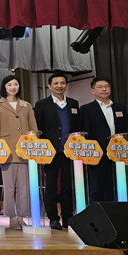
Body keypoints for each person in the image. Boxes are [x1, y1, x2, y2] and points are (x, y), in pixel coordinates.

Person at [0, 75, 38, 230]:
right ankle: (11, 218)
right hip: (7, 150)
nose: (13, 87)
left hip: (24, 150)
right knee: (9, 186)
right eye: (9, 84)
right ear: (4, 87)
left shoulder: (26, 105)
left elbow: (33, 127)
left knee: (24, 187)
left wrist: (33, 144)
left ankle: (21, 217)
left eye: (16, 84)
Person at [34, 73, 81, 230]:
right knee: (51, 186)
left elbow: (77, 126)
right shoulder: (42, 104)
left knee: (68, 185)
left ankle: (68, 217)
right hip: (51, 151)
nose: (59, 86)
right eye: (56, 83)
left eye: (62, 83)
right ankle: (53, 218)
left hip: (70, 151)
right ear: (49, 86)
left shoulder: (73, 103)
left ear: (66, 85)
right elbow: (39, 128)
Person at [81, 76, 128, 203]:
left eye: (106, 86)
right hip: (98, 154)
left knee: (115, 186)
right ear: (93, 91)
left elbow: (127, 129)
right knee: (96, 187)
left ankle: (115, 212)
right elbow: (86, 133)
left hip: (117, 153)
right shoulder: (87, 109)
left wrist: (127, 148)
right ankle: (97, 213)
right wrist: (91, 153)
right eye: (100, 87)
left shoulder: (120, 107)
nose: (104, 89)